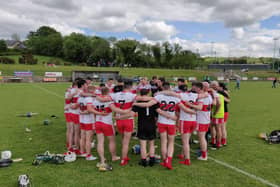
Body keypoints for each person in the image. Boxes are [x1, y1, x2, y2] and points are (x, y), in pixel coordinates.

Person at [133, 82, 195, 170]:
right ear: (170, 88)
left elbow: (147, 104)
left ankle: (165, 159)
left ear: (162, 88)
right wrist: (194, 112)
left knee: (163, 142)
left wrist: (135, 104)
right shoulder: (175, 98)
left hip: (162, 122)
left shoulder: (158, 97)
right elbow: (185, 109)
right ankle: (168, 160)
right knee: (171, 143)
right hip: (171, 123)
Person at [118, 89, 159, 167]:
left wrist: (120, 117)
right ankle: (152, 160)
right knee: (151, 143)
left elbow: (131, 114)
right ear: (148, 93)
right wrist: (156, 124)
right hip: (151, 124)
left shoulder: (138, 103)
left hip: (142, 125)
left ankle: (144, 161)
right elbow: (157, 115)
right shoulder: (154, 101)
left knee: (143, 144)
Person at [93, 87, 131, 167]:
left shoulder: (95, 100)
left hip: (97, 122)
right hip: (107, 123)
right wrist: (126, 111)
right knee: (112, 140)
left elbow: (93, 111)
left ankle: (102, 159)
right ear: (108, 92)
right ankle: (113, 157)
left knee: (100, 142)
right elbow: (116, 110)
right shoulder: (109, 101)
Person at [110, 80, 136, 166]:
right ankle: (123, 159)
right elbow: (134, 107)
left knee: (123, 138)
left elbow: (110, 104)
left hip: (118, 119)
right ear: (131, 87)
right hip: (128, 119)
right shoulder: (133, 96)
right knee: (126, 142)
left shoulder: (115, 95)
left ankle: (123, 156)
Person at [195, 82, 213, 161]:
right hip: (206, 119)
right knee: (203, 138)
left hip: (201, 120)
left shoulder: (202, 97)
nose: (195, 89)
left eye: (196, 88)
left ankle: (204, 155)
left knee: (201, 138)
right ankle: (203, 153)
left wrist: (191, 106)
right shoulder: (208, 95)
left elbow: (199, 108)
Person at [210, 81, 224, 149]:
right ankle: (213, 141)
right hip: (217, 114)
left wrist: (215, 112)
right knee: (212, 127)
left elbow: (219, 104)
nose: (212, 86)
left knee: (218, 129)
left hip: (218, 114)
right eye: (212, 85)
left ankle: (218, 144)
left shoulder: (217, 95)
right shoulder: (218, 94)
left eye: (213, 85)